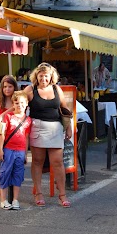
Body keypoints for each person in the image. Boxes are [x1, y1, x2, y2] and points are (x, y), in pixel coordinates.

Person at [24, 62, 72, 208]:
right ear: (36, 76)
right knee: (38, 161)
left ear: (51, 76)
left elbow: (64, 108)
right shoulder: (31, 89)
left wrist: (68, 127)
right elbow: (18, 104)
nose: (43, 79)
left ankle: (62, 194)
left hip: (55, 128)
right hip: (37, 127)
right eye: (40, 76)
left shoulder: (57, 89)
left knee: (57, 162)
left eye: (46, 76)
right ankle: (38, 193)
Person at [0, 91, 32, 210]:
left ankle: (15, 199)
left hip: (20, 150)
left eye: (22, 103)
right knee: (5, 172)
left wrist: (26, 153)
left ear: (26, 104)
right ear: (13, 104)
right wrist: (0, 150)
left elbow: (26, 137)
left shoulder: (28, 120)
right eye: (16, 103)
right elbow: (2, 134)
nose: (19, 105)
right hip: (8, 149)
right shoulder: (8, 116)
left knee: (18, 173)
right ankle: (3, 199)